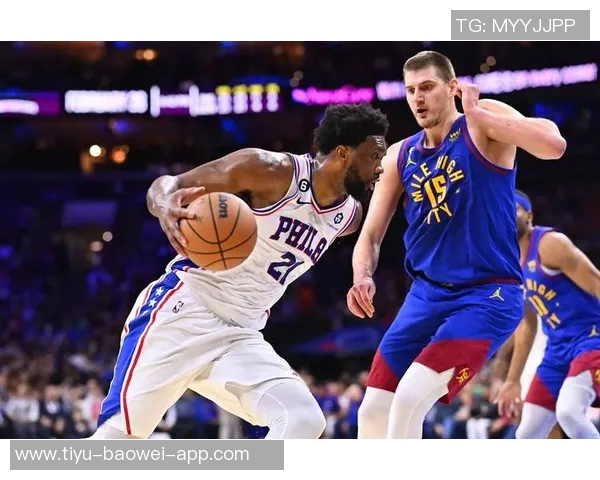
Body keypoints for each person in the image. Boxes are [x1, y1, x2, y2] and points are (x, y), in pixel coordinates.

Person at [90, 103, 389, 440]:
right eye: (374, 156)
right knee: (116, 446)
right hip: (184, 313)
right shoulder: (268, 170)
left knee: (303, 419)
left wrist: (362, 276)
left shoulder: (348, 217)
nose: (380, 167)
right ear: (343, 153)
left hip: (240, 333)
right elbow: (168, 184)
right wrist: (164, 204)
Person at [346, 50, 566, 439]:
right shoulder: (400, 155)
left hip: (487, 294)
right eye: (411, 90)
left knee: (410, 398)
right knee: (373, 409)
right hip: (426, 295)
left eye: (427, 87)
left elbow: (553, 144)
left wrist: (478, 113)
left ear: (452, 88)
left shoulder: (482, 122)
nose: (418, 98)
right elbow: (370, 235)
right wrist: (362, 275)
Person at [493, 189, 600, 439]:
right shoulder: (508, 267)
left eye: (512, 209)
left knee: (569, 413)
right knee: (526, 435)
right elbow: (527, 325)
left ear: (529, 216)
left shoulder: (549, 244)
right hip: (557, 349)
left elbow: (597, 284)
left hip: (591, 338)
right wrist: (512, 380)